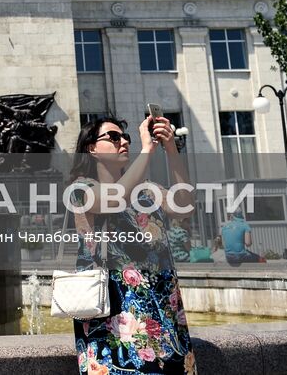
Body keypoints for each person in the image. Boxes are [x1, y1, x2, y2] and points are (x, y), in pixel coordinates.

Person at [71, 113, 196, 374]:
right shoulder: (82, 188)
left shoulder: (146, 190)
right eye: (114, 137)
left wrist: (170, 147)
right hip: (115, 313)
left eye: (126, 137)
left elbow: (185, 206)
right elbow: (112, 200)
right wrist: (148, 150)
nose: (124, 142)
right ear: (91, 148)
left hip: (162, 306)